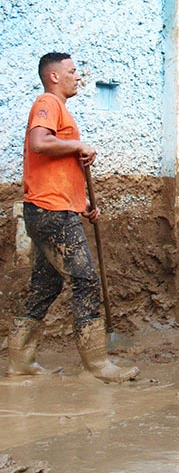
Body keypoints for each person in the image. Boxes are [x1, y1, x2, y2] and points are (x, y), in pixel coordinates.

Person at [7, 53, 139, 383]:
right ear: (54, 77)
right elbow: (39, 142)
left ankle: (20, 358)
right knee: (86, 280)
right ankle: (97, 364)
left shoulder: (61, 110)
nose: (77, 76)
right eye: (72, 71)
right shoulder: (47, 102)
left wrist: (83, 205)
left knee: (45, 286)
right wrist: (76, 144)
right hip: (51, 210)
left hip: (52, 208)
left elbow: (57, 166)